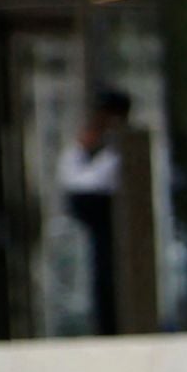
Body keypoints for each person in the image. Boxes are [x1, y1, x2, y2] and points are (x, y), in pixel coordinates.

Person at [57, 87, 132, 333]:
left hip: (110, 215)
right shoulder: (88, 147)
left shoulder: (121, 147)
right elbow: (70, 178)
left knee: (109, 275)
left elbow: (94, 181)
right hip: (88, 216)